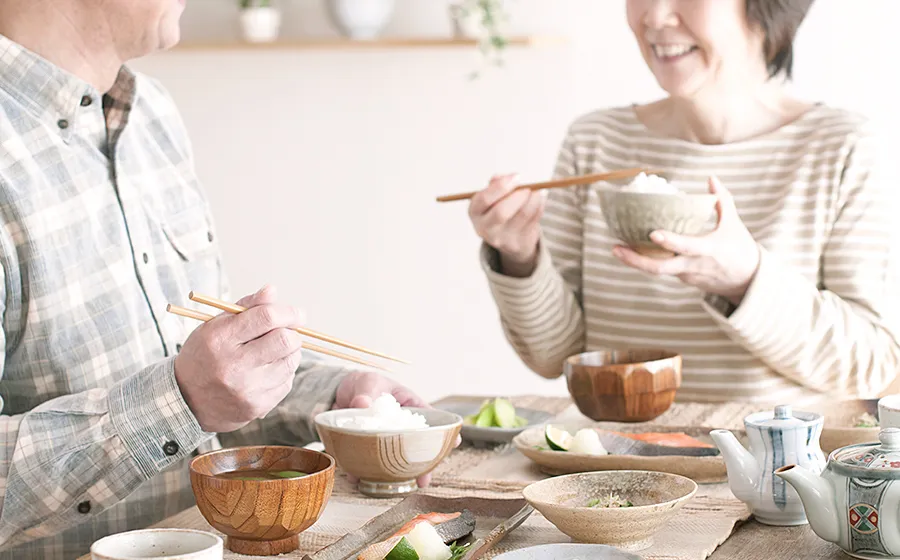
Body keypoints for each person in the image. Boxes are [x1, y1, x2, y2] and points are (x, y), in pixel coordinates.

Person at [0, 1, 436, 558]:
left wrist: (331, 399)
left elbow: (203, 386)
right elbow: (186, 395)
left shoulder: (150, 113)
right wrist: (181, 400)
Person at [469, 0, 900, 404]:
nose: (655, 16)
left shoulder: (840, 148)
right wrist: (520, 257)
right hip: (611, 469)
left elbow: (872, 366)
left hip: (768, 481)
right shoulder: (596, 141)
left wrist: (745, 278)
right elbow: (552, 357)